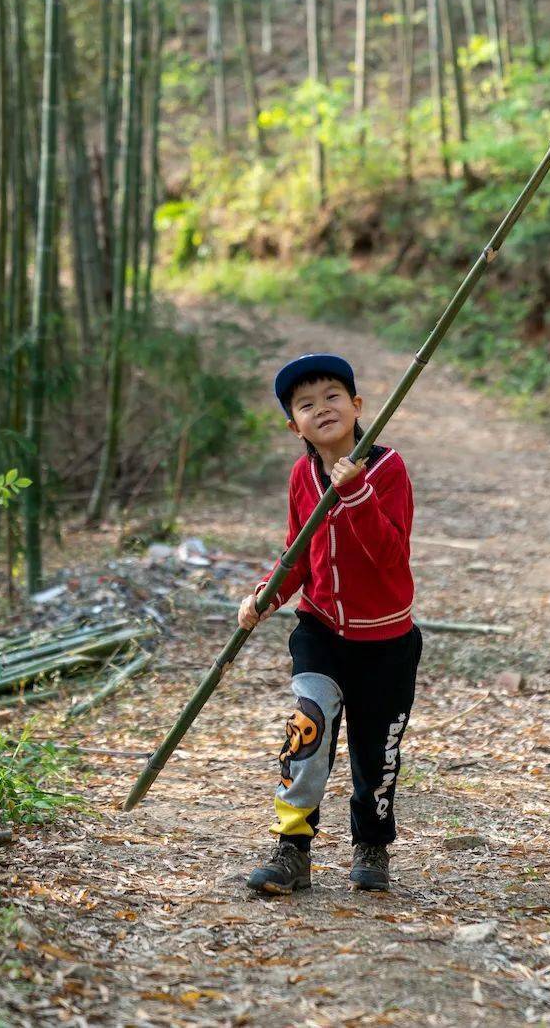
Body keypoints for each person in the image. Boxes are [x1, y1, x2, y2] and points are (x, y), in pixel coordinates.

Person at [238, 352, 422, 895]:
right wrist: (264, 597)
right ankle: (292, 848)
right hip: (320, 632)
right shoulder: (302, 475)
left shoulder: (387, 471)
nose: (322, 409)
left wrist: (357, 493)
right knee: (307, 734)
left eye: (333, 397)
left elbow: (390, 556)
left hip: (386, 642)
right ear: (293, 425)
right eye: (306, 404)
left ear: (358, 406)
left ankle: (371, 844)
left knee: (375, 753)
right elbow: (298, 555)